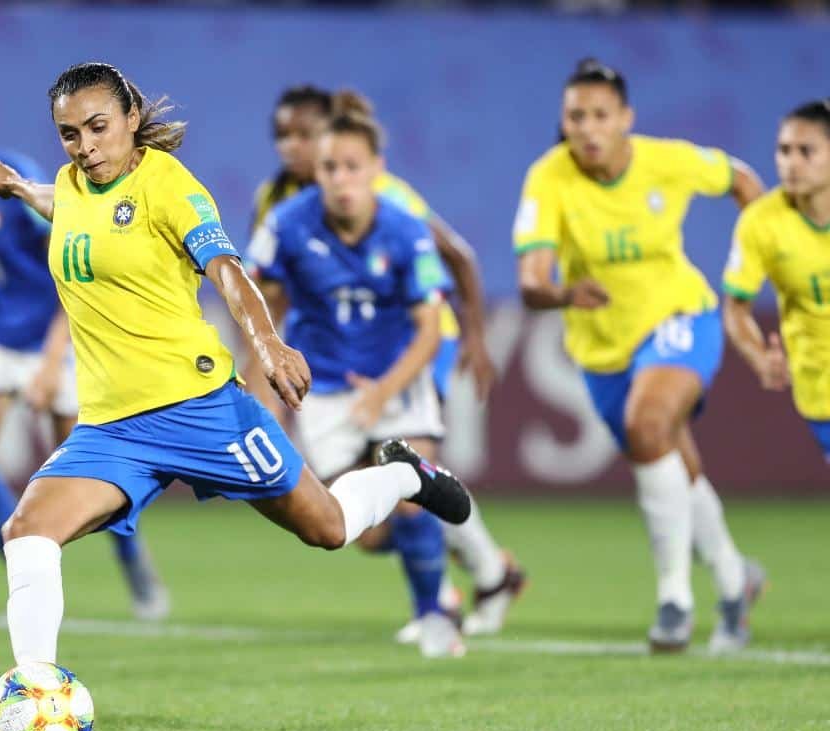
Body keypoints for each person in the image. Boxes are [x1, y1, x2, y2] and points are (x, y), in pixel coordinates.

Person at [0, 62, 472, 720]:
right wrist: (20, 188)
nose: (86, 145)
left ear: (132, 118)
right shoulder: (76, 185)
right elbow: (69, 205)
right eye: (69, 134)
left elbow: (226, 267)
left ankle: (405, 475)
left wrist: (268, 342)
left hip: (201, 409)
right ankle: (35, 693)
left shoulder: (168, 185)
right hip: (112, 429)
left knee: (328, 527)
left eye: (99, 127)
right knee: (26, 530)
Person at [248, 85, 524, 638]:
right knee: (358, 524)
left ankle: (437, 605)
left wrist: (472, 335)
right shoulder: (280, 209)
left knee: (406, 482)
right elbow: (262, 293)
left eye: (302, 134)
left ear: (370, 164)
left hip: (408, 350)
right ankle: (487, 568)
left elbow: (457, 260)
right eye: (284, 136)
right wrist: (263, 372)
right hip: (327, 369)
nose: (290, 147)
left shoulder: (395, 206)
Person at [514, 58, 766, 653]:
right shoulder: (548, 178)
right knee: (671, 461)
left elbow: (742, 179)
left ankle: (674, 599)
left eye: (601, 115)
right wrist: (563, 293)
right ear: (563, 120)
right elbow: (531, 280)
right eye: (576, 116)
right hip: (602, 348)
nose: (588, 128)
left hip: (681, 316)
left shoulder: (667, 161)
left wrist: (757, 265)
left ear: (626, 118)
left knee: (648, 422)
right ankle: (734, 580)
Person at [0, 71, 168, 619]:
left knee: (93, 477)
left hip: (55, 327)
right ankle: (26, 584)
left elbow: (78, 261)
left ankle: (131, 554)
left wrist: (51, 361)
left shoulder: (15, 178)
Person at [722, 98, 830, 463]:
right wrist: (759, 358)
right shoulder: (761, 223)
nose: (791, 163)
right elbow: (736, 310)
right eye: (784, 151)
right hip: (820, 390)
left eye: (806, 151)